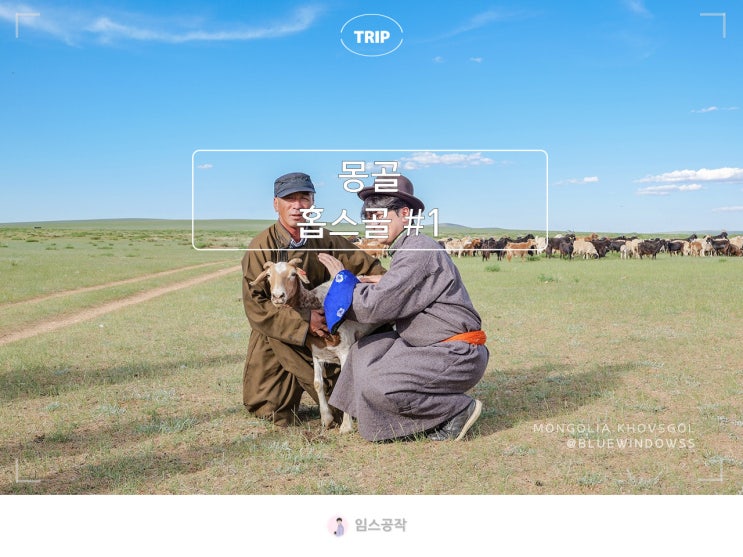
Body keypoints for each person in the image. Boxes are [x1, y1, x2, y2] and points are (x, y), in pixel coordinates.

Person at [322, 175, 488, 442]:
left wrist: (343, 283)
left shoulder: (418, 250)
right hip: (429, 344)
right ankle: (365, 415)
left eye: (379, 216)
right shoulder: (410, 249)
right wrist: (378, 281)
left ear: (404, 214)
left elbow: (374, 306)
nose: (372, 224)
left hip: (456, 353)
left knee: (378, 384)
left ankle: (456, 410)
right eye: (368, 217)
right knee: (363, 352)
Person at [241, 172, 386, 427]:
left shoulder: (325, 238)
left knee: (342, 405)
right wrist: (305, 321)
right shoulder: (261, 246)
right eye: (289, 199)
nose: (297, 206)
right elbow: (256, 306)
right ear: (276, 204)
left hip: (329, 331)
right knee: (269, 409)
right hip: (278, 331)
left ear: (313, 203)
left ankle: (340, 395)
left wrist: (380, 281)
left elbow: (369, 266)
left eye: (304, 198)